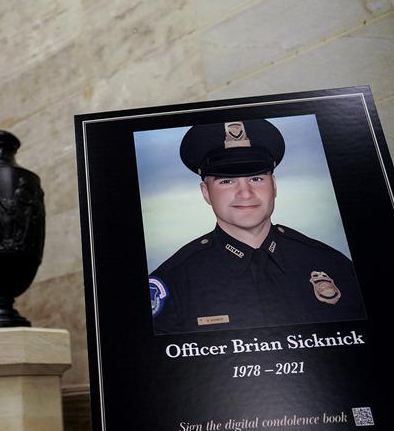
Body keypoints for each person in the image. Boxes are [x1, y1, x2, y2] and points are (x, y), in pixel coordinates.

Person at [149, 119, 365, 333]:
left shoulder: (334, 265)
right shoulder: (174, 282)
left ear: (274, 186)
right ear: (206, 193)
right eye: (227, 181)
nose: (245, 193)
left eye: (256, 179)